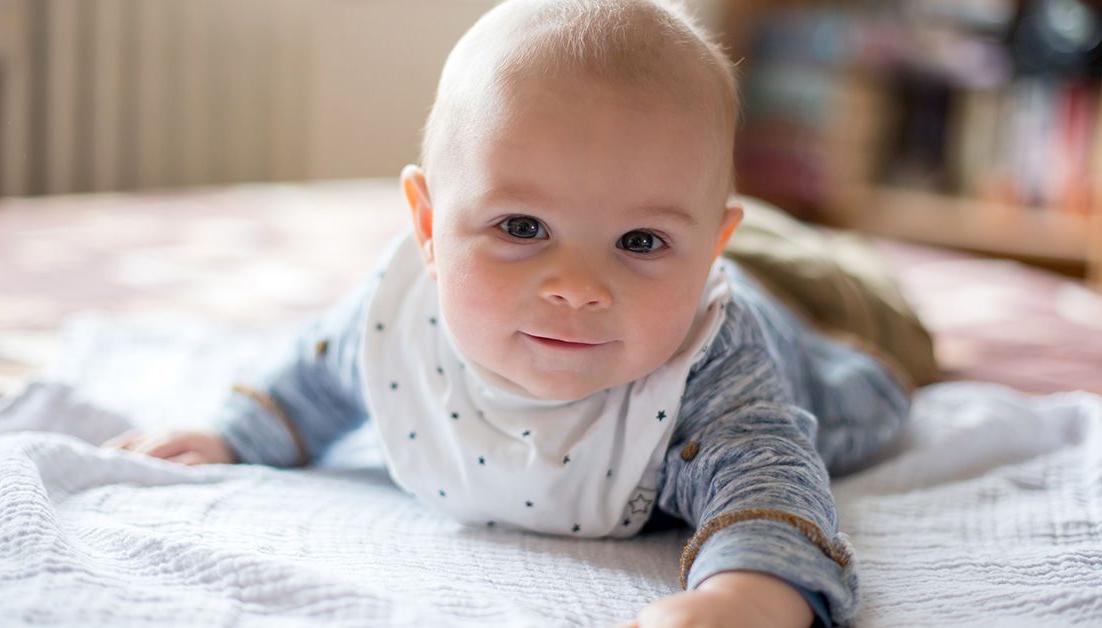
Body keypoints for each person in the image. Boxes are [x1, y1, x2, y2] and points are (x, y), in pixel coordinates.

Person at [105, 1, 912, 625]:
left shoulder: (711, 359)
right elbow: (316, 373)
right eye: (522, 228)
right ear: (427, 226)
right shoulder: (399, 316)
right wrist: (230, 435)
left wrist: (745, 598)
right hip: (715, 245)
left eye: (639, 239)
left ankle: (798, 265)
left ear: (708, 254)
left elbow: (769, 481)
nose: (578, 286)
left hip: (800, 324)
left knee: (875, 334)